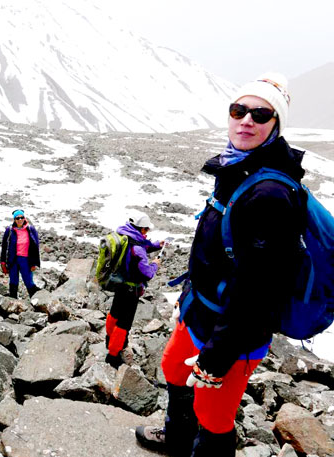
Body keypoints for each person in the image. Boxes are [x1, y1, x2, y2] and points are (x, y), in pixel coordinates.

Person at [135, 73, 304, 456]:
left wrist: (218, 355)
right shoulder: (238, 169)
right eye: (238, 110)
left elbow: (259, 288)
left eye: (261, 115)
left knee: (214, 416)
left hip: (233, 331)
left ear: (276, 126)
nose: (246, 120)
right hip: (202, 309)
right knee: (174, 369)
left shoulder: (270, 194)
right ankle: (178, 439)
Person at [104, 215, 162, 368]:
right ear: (141, 228)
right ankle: (113, 355)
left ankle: (109, 339)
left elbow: (141, 246)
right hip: (132, 290)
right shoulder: (137, 248)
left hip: (120, 284)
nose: (147, 233)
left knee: (114, 313)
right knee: (124, 324)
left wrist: (157, 245)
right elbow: (147, 273)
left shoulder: (124, 235)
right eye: (146, 229)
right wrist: (155, 264)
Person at [0, 209, 41, 299]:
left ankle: (36, 300)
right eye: (17, 218)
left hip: (26, 260)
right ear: (14, 219)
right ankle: (13, 300)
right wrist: (3, 262)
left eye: (21, 217)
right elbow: (4, 247)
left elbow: (35, 247)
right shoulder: (9, 230)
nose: (20, 220)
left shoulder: (31, 229)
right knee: (13, 280)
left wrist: (34, 263)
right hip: (13, 259)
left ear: (24, 218)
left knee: (28, 281)